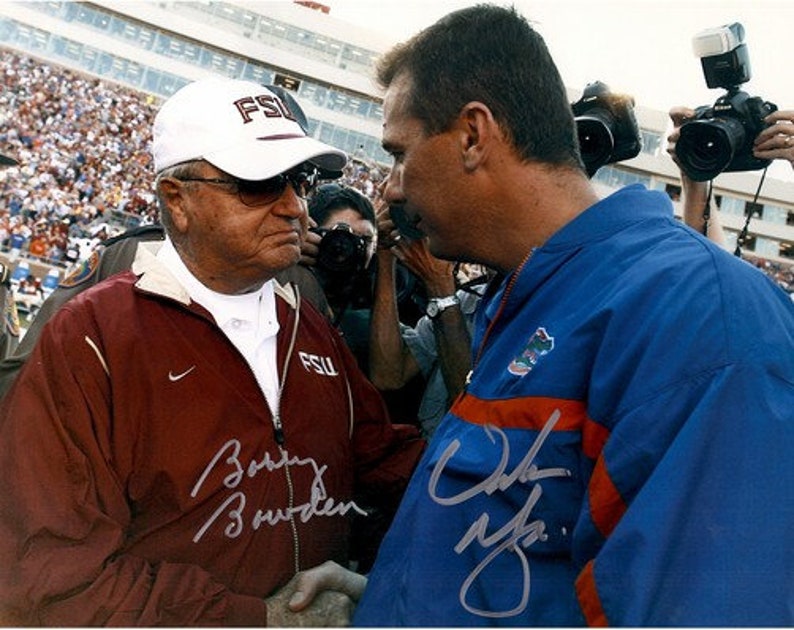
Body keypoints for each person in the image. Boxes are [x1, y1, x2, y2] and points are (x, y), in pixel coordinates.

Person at [353, 5, 794, 627]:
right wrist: (384, 598)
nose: (393, 187)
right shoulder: (535, 288)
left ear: (473, 136)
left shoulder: (697, 312)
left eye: (400, 152)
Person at [0, 76, 425, 626]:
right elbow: (48, 574)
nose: (296, 207)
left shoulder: (309, 327)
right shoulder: (94, 336)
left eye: (299, 181)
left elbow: (386, 467)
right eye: (261, 184)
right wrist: (254, 620)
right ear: (178, 201)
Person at [369, 198, 485, 437]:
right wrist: (385, 254)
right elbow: (389, 374)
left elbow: (470, 412)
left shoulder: (536, 310)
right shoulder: (467, 301)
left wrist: (440, 288)